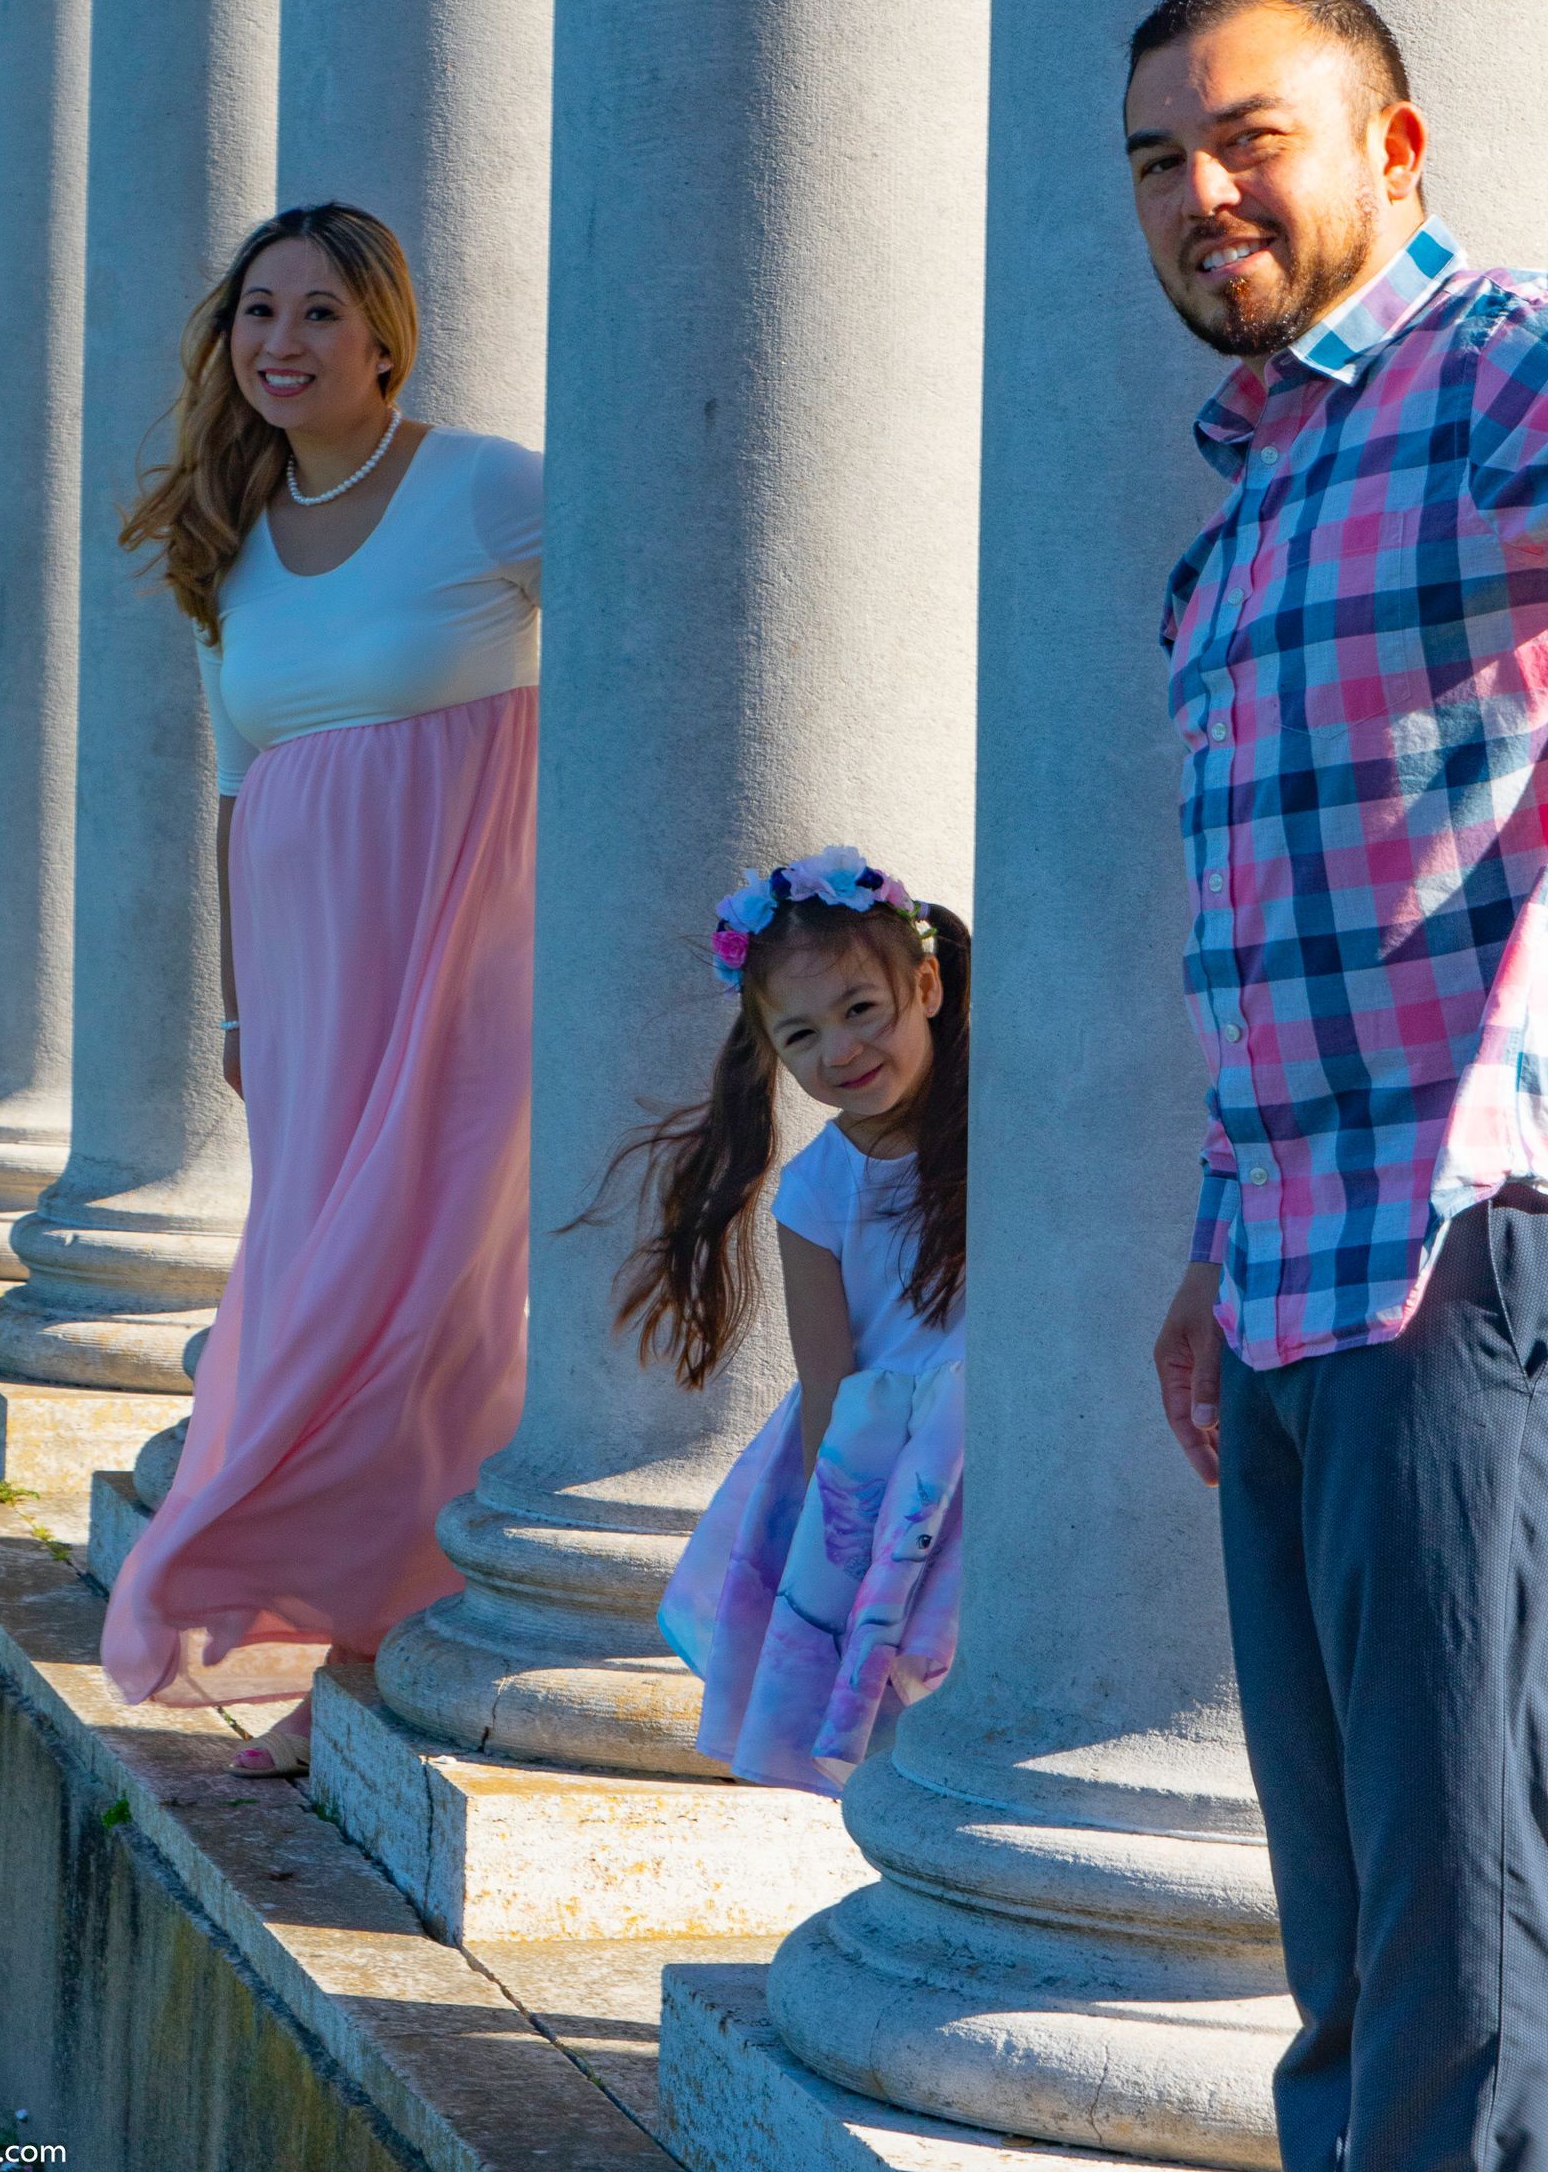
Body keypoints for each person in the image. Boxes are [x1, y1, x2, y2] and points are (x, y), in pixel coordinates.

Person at [1137, 0, 1548, 2166]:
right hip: (1293, 1274)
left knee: (1472, 1953)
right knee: (1358, 1956)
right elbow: (1282, 925)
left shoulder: (1495, 377)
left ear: (1394, 152)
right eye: (1159, 162)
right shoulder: (1254, 495)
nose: (1200, 194)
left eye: (1249, 140)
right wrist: (1214, 1247)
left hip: (1462, 1254)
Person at [100, 201, 541, 1777]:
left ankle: (369, 1629)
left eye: (318, 313)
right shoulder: (233, 540)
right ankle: (344, 1644)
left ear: (385, 339)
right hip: (304, 993)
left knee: (428, 1300)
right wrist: (237, 1014)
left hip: (466, 961)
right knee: (317, 1291)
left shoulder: (484, 488)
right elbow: (239, 792)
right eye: (257, 313)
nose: (280, 343)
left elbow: (664, 642)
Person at [614, 850, 968, 1795]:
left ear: (926, 986)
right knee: (898, 1714)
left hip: (992, 1432)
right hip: (893, 1469)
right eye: (801, 1035)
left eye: (862, 1010)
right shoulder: (814, 1191)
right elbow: (828, 1387)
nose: (840, 1051)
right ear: (770, 1049)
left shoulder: (1000, 1128)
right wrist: (836, 1552)